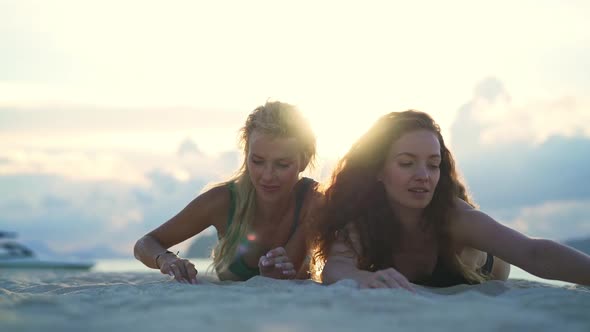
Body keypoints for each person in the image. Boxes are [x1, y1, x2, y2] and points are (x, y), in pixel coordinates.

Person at [311, 110, 590, 290]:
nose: (424, 176)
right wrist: (365, 279)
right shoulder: (363, 220)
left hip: (482, 267)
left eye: (433, 165)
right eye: (407, 163)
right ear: (378, 170)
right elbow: (336, 267)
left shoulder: (456, 219)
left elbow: (534, 254)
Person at [134, 101, 320, 283]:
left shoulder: (315, 202)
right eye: (257, 161)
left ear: (304, 161)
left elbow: (342, 263)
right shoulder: (223, 201)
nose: (268, 176)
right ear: (246, 155)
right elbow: (145, 243)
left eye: (282, 165)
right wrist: (167, 259)